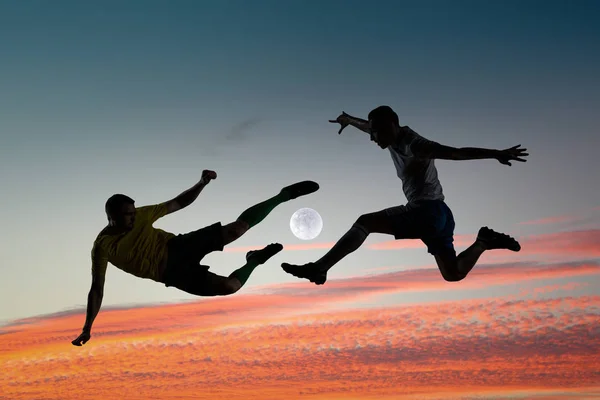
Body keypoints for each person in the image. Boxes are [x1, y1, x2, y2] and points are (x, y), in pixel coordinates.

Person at [282, 106, 528, 285]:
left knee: (365, 222)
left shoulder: (415, 145)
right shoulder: (390, 136)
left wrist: (496, 153)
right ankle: (483, 242)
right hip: (442, 214)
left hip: (425, 213)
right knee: (453, 274)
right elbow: (367, 125)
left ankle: (320, 268)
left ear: (390, 127)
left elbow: (456, 153)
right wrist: (347, 119)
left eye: (375, 133)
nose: (371, 137)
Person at [72, 170, 319, 346]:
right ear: (112, 217)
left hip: (178, 246)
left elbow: (178, 202)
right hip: (172, 274)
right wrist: (87, 327)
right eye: (128, 215)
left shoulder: (142, 214)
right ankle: (254, 260)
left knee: (236, 229)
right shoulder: (102, 246)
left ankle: (284, 195)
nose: (134, 218)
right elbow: (97, 290)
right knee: (230, 286)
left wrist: (201, 183)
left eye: (134, 213)